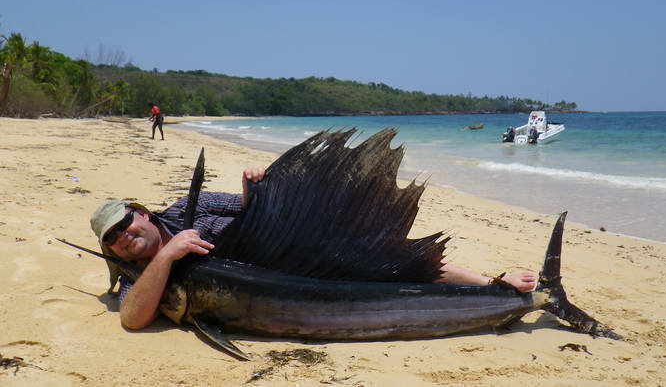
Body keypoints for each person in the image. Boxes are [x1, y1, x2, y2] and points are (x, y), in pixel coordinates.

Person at [90, 168, 537, 330]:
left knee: (383, 257)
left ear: (142, 213)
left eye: (125, 225)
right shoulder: (139, 274)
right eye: (112, 241)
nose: (123, 238)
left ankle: (494, 284)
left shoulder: (190, 207)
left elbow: (247, 210)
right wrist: (167, 257)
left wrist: (257, 189)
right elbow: (132, 319)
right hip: (275, 286)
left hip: (289, 261)